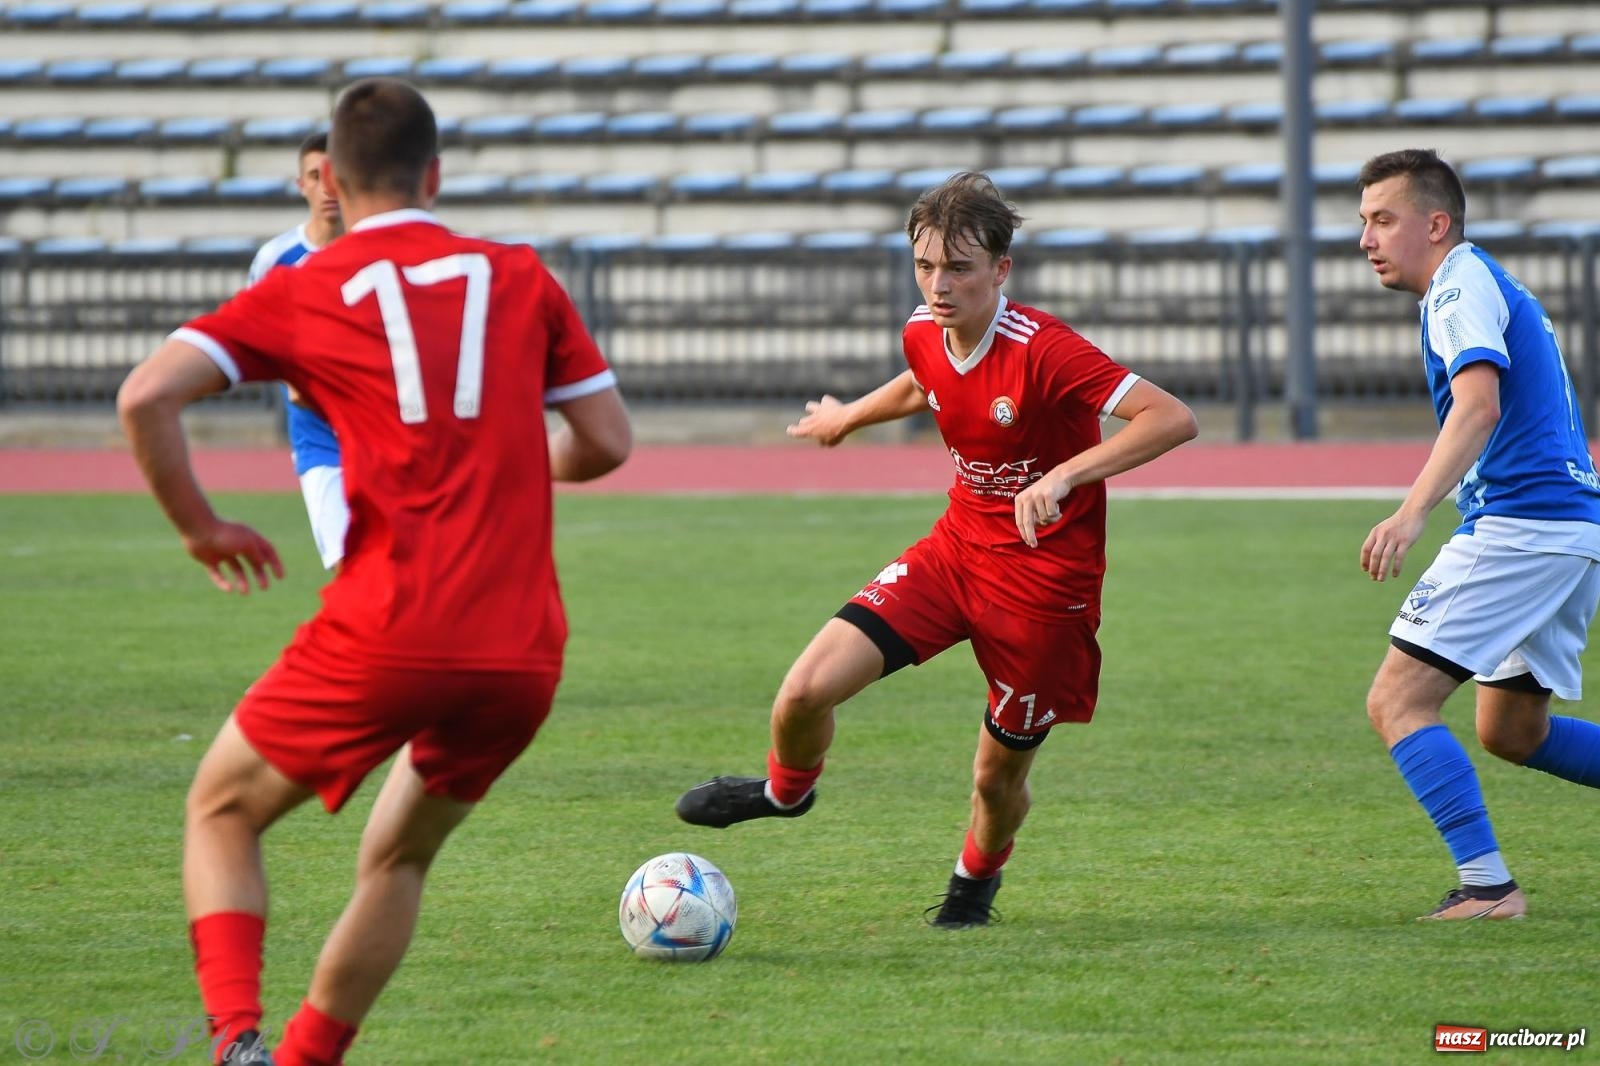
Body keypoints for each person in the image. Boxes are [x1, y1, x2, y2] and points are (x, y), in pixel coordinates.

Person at [117, 78, 631, 1064]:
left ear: (334, 186)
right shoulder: (519, 273)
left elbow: (147, 397)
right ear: (435, 175)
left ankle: (236, 1042)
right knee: (397, 859)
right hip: (522, 652)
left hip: (390, 625)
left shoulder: (306, 284)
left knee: (221, 809)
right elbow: (606, 441)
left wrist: (200, 526)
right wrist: (515, 464)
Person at [674, 172, 1198, 927]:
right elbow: (924, 382)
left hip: (1044, 591)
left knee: (995, 777)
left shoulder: (1044, 350)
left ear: (1001, 270)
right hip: (955, 555)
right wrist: (846, 418)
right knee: (801, 692)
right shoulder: (923, 327)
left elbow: (1171, 417)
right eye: (925, 266)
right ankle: (785, 794)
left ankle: (972, 888)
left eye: (958, 268)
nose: (938, 285)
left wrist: (1066, 474)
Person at [1357, 148, 1600, 921]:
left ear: (1436, 223)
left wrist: (1411, 511)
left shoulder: (1458, 285)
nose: (1368, 237)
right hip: (1567, 527)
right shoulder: (1483, 279)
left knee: (1398, 700)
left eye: (1384, 219)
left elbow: (1479, 404)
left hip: (1525, 527)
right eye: (1363, 221)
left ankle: (1489, 888)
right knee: (1511, 729)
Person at [248, 131, 349, 571]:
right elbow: (257, 335)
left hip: (384, 430)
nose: (327, 187)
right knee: (349, 561)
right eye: (315, 175)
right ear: (300, 185)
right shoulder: (276, 259)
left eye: (335, 175)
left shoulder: (379, 254)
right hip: (319, 436)